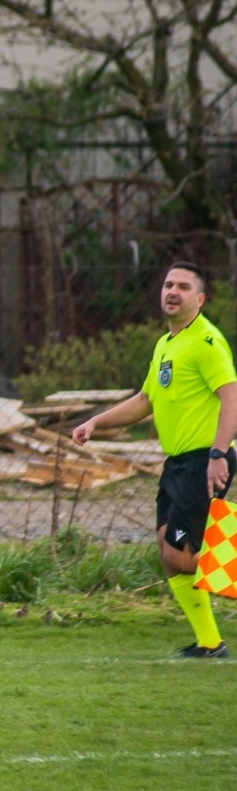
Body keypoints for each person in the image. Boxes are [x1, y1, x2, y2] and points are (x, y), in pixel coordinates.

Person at [72, 261, 236, 658]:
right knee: (168, 549)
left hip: (203, 460)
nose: (172, 291)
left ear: (199, 299)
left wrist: (218, 453)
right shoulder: (166, 344)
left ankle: (220, 604)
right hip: (176, 464)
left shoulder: (206, 342)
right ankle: (210, 643)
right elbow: (146, 400)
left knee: (177, 554)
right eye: (167, 284)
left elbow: (232, 397)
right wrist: (97, 421)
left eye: (182, 286)